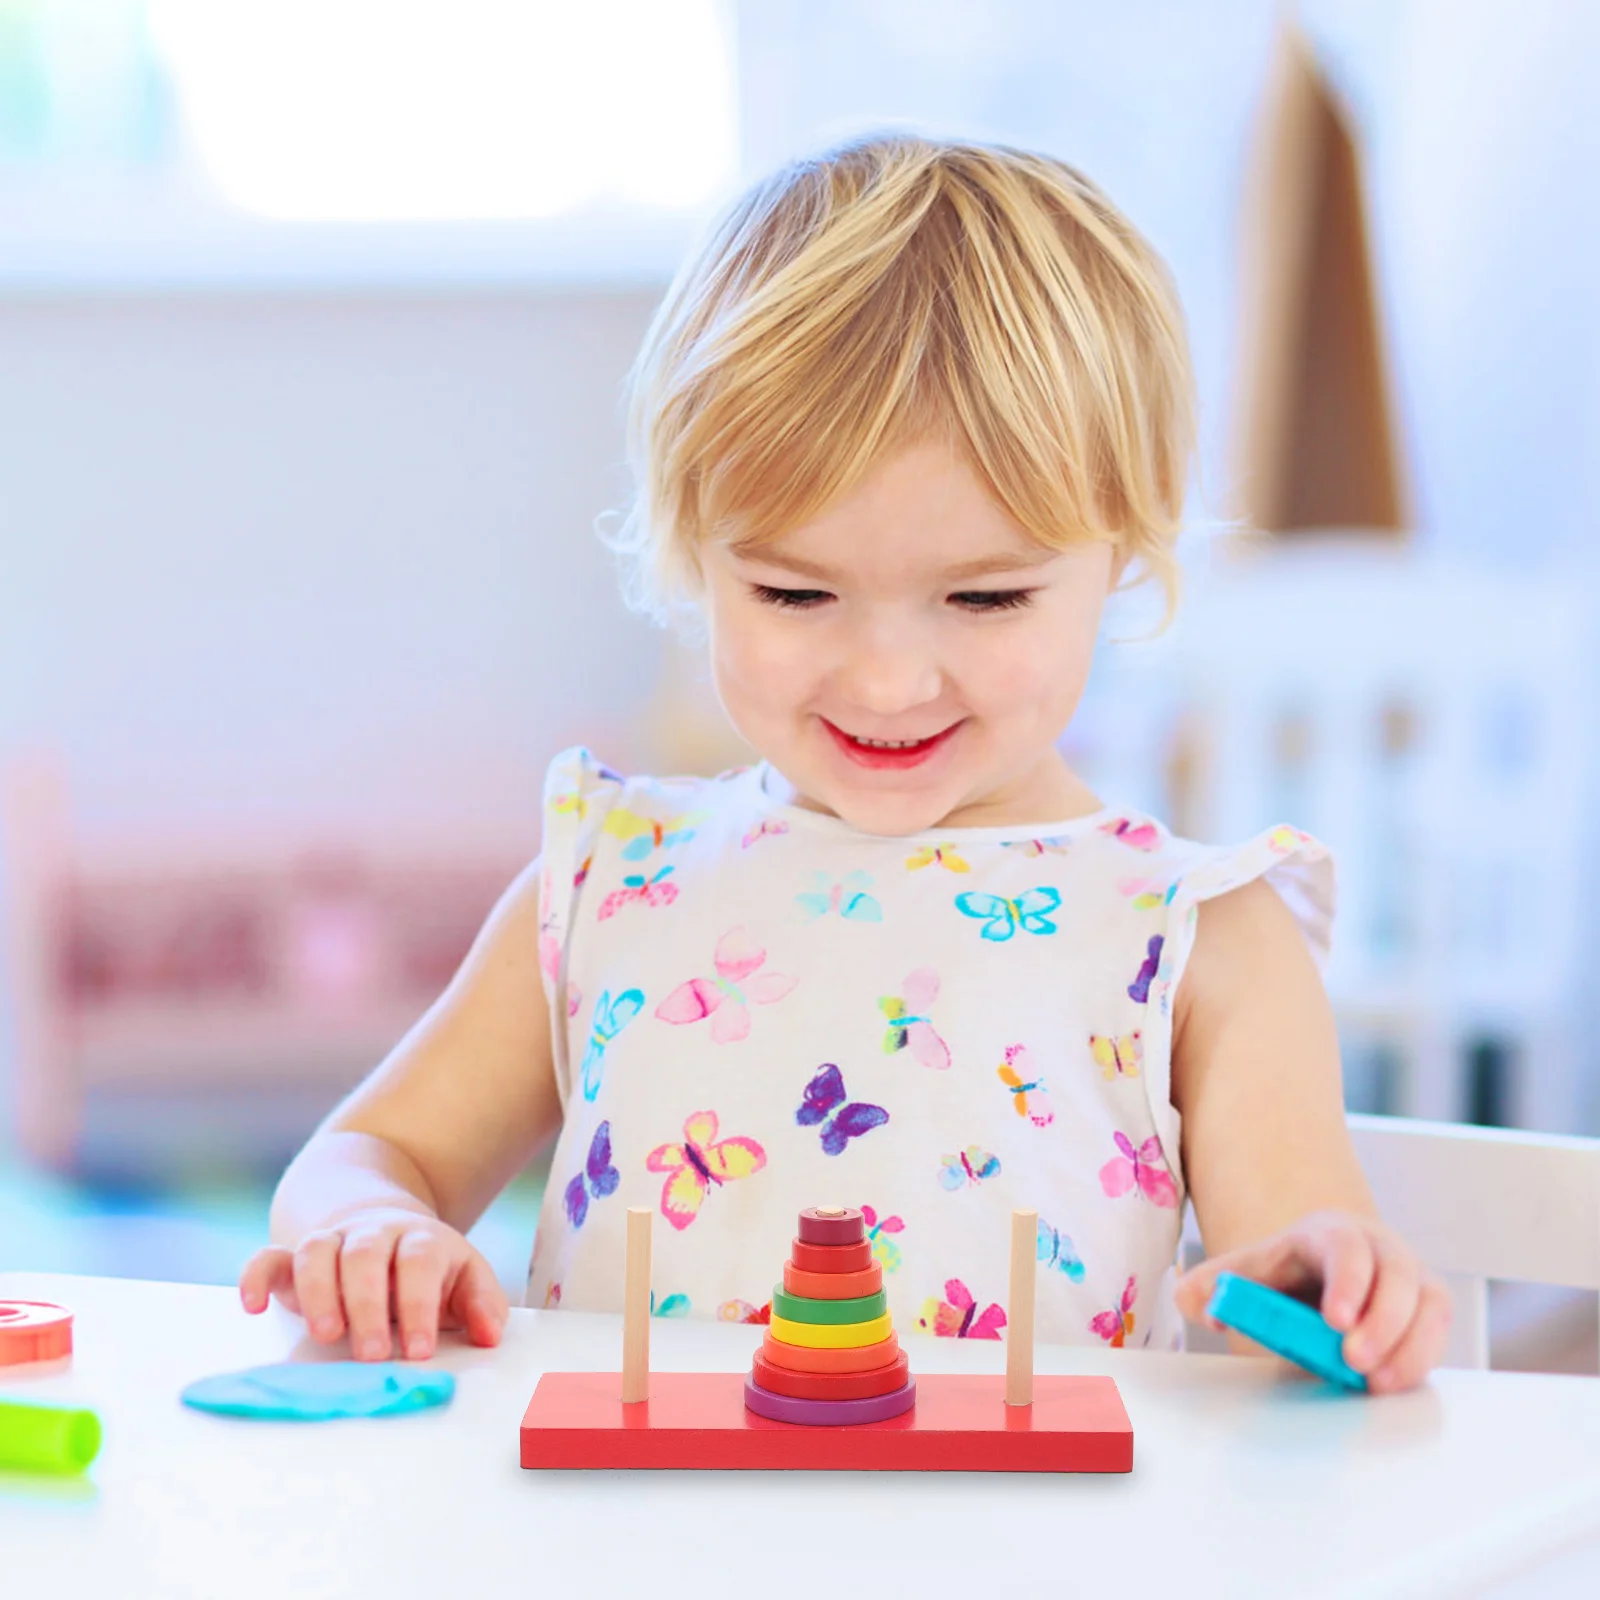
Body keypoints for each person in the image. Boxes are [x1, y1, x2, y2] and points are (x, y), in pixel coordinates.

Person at [240, 135, 1450, 1393]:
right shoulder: (605, 881)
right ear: (690, 555)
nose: (884, 680)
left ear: (1124, 553)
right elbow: (373, 1152)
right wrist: (365, 1227)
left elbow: (1298, 1264)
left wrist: (1334, 1283)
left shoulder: (1196, 936)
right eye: (794, 591)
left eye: (983, 599)